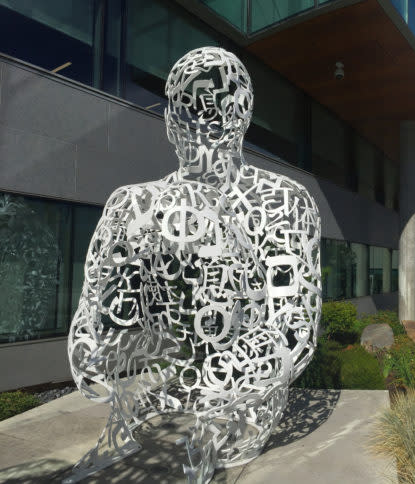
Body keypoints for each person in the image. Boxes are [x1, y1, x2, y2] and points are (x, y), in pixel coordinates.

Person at [66, 47, 321, 482]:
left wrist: (213, 390)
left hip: (240, 419)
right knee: (140, 206)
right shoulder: (131, 205)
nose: (200, 130)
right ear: (169, 122)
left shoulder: (285, 203)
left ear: (242, 116)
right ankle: (144, 427)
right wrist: (93, 356)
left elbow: (293, 334)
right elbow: (90, 322)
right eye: (186, 115)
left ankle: (196, 432)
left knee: (195, 219)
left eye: (214, 116)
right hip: (148, 408)